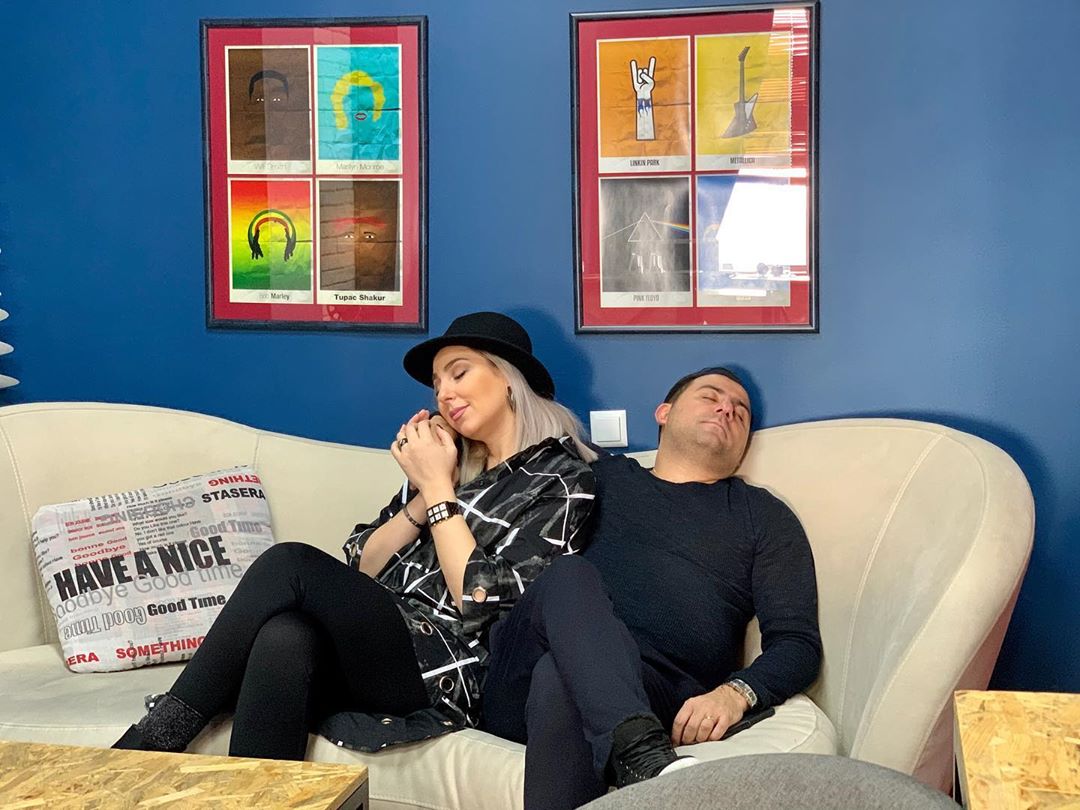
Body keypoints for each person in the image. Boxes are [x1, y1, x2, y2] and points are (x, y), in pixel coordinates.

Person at [113, 312, 597, 760]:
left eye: (459, 373)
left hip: (451, 667)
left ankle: (151, 743)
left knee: (289, 563)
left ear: (509, 378)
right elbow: (362, 565)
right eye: (437, 384)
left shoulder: (560, 479)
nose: (444, 395)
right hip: (381, 646)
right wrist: (424, 493)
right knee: (286, 637)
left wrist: (436, 488)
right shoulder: (444, 464)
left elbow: (479, 598)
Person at [481, 367, 822, 809]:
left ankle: (633, 740)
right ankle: (644, 754)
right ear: (664, 412)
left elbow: (797, 643)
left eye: (741, 412)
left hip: (655, 692)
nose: (727, 409)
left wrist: (736, 693)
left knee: (561, 677)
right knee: (568, 575)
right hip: (518, 677)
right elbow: (512, 447)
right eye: (711, 397)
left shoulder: (764, 516)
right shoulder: (597, 478)